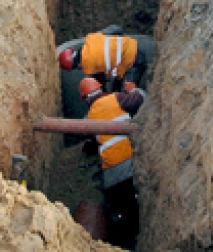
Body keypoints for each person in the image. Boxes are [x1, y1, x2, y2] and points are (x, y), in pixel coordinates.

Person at [81, 77, 145, 247]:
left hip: (111, 171)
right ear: (101, 89)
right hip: (130, 162)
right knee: (134, 204)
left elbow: (89, 142)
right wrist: (133, 89)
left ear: (85, 99)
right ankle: (134, 238)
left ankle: (119, 242)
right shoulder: (117, 98)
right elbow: (141, 99)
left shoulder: (88, 117)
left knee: (118, 209)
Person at [58, 31, 147, 92]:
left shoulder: (90, 67)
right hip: (133, 45)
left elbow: (101, 87)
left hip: (134, 62)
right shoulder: (91, 39)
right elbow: (117, 29)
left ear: (76, 66)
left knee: (130, 94)